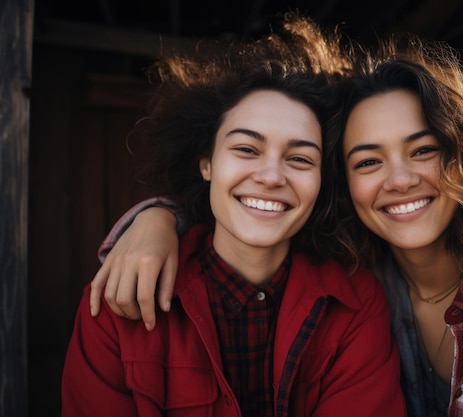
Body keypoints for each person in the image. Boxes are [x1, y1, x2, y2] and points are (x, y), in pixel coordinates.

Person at [89, 23, 463, 417]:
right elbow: (248, 209)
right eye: (368, 161)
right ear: (343, 183)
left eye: (423, 151)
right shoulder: (361, 277)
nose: (398, 180)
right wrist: (157, 217)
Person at [61, 14, 407, 417]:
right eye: (246, 149)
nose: (271, 176)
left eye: (299, 158)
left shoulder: (356, 302)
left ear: (322, 181)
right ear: (206, 163)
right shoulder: (118, 302)